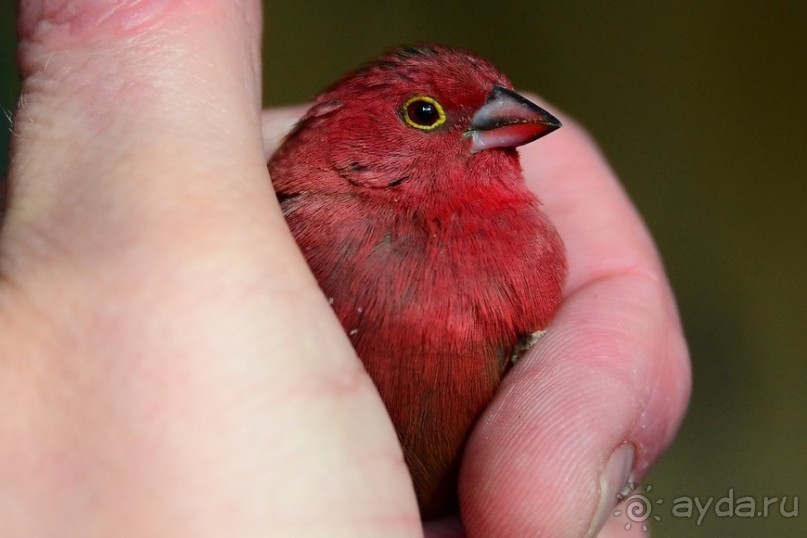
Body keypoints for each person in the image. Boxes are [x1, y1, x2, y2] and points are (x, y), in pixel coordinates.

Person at [0, 2, 690, 536]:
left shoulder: (531, 246)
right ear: (344, 136)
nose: (504, 122)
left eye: (486, 112)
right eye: (425, 114)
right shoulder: (275, 226)